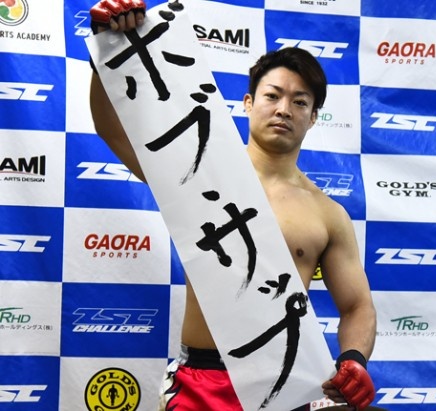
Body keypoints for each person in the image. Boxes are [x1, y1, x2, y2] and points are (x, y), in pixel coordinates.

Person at [88, 1, 377, 410]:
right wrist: (108, 48)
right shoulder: (197, 170)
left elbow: (357, 305)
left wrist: (354, 359)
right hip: (201, 383)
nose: (283, 109)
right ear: (247, 102)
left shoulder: (328, 214)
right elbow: (112, 130)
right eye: (272, 95)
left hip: (287, 387)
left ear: (314, 117)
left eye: (300, 102)